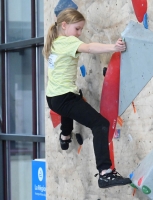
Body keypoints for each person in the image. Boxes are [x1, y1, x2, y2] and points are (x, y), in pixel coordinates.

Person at [43, 8, 131, 188]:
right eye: (77, 29)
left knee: (75, 98)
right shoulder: (68, 42)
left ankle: (65, 135)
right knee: (100, 124)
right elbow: (89, 48)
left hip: (52, 97)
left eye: (81, 29)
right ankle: (105, 173)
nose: (79, 33)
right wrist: (113, 47)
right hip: (63, 98)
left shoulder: (55, 42)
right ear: (64, 26)